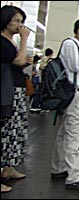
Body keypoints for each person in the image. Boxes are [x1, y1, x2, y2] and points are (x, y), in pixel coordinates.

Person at [50, 17, 79, 192]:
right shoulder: (71, 45)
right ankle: (74, 177)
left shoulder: (76, 46)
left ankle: (59, 167)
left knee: (64, 133)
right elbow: (76, 66)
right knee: (74, 136)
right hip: (74, 95)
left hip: (77, 94)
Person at [1, 5, 31, 193]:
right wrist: (25, 40)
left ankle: (8, 168)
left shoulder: (10, 42)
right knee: (5, 130)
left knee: (15, 129)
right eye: (16, 21)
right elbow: (18, 61)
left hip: (16, 89)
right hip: (7, 90)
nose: (20, 26)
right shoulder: (2, 42)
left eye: (21, 22)